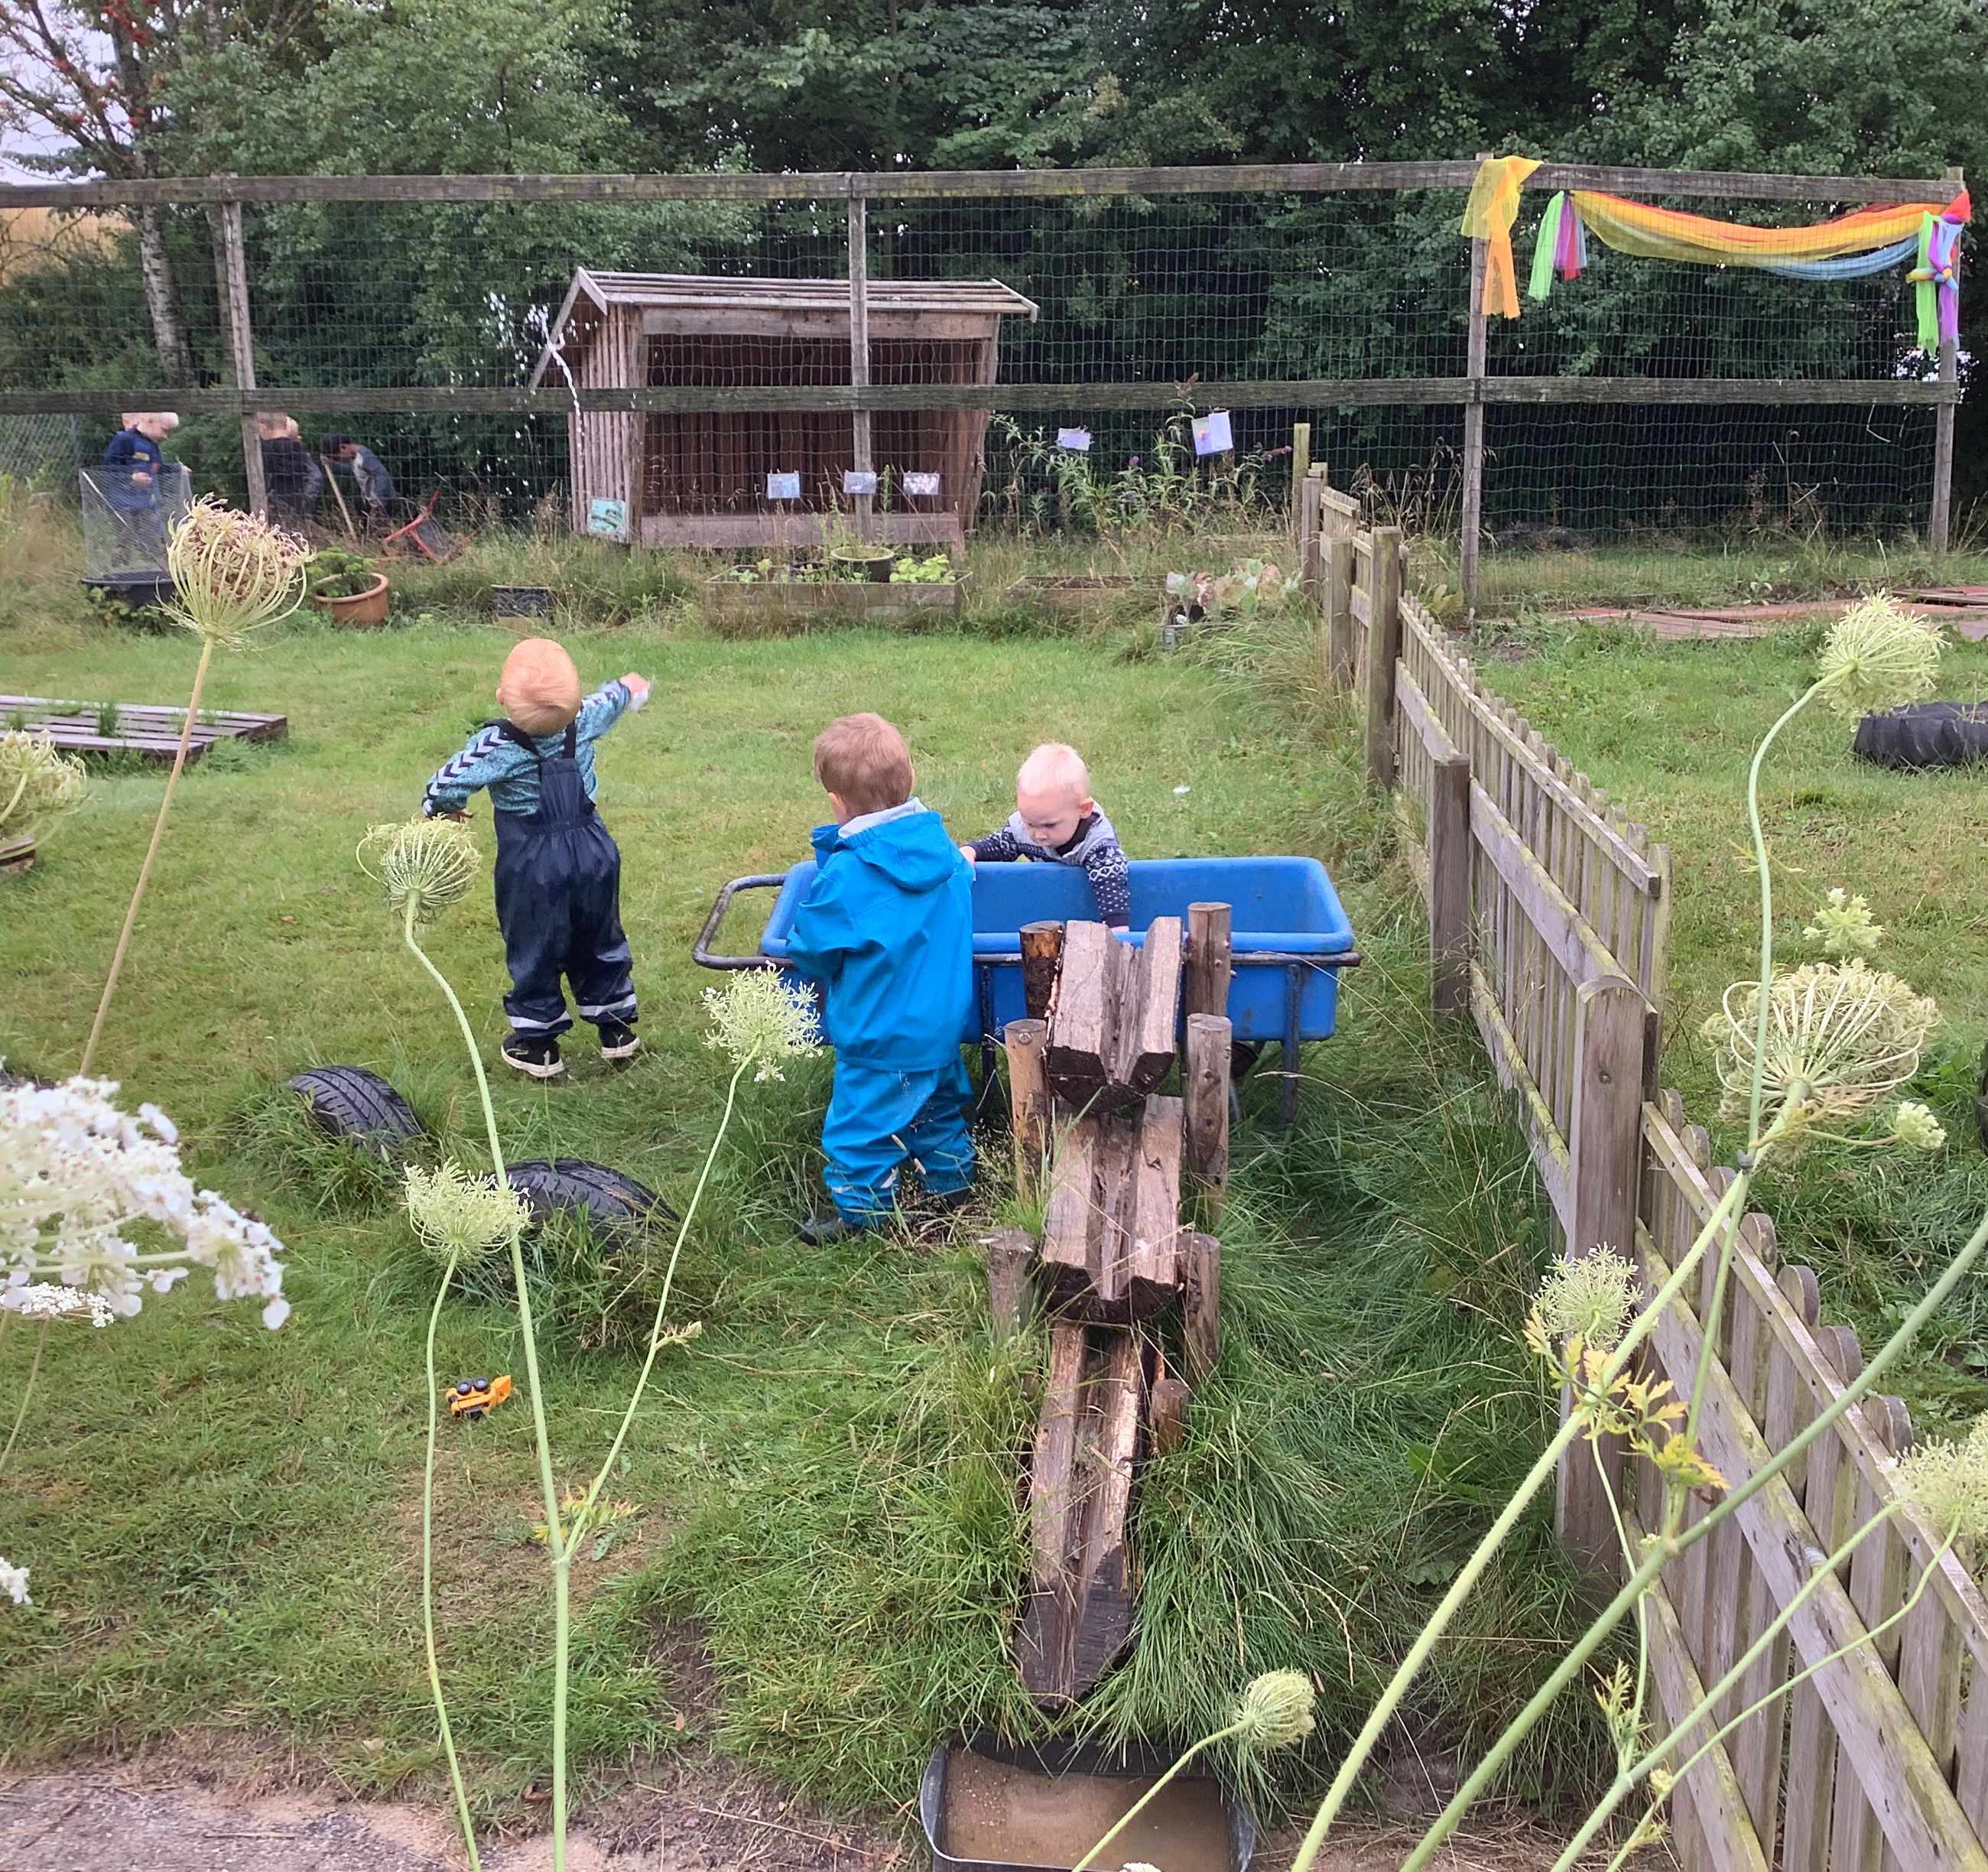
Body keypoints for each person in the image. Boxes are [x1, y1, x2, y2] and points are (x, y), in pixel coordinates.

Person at [784, 713, 975, 1244]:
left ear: (837, 803)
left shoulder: (847, 879)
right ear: (910, 779)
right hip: (940, 1029)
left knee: (858, 1133)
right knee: (936, 1111)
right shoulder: (946, 855)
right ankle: (954, 1186)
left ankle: (863, 1218)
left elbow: (812, 951)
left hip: (879, 1038)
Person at [420, 637, 650, 1079]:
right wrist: (631, 688)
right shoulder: (583, 719)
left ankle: (538, 1046)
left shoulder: (495, 744)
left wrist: (443, 809)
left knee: (535, 945)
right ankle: (617, 1030)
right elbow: (617, 696)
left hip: (532, 864)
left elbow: (443, 784)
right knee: (599, 934)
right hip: (594, 852)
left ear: (501, 698)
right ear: (576, 699)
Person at [960, 742, 1132, 929]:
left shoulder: (1100, 847)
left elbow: (1112, 895)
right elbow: (998, 846)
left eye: (1049, 825)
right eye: (1030, 822)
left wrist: (1117, 933)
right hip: (1044, 907)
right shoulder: (1025, 828)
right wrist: (971, 851)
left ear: (1083, 809)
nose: (1039, 835)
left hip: (1082, 915)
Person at [99, 412, 179, 567]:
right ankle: (118, 572)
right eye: (164, 430)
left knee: (152, 536)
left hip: (146, 502)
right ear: (150, 421)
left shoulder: (152, 446)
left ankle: (156, 571)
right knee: (126, 536)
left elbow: (157, 468)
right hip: (122, 501)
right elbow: (109, 466)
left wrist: (177, 469)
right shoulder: (125, 440)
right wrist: (131, 476)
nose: (165, 436)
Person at [257, 413, 319, 525]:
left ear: (262, 427)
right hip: (299, 512)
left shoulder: (260, 453)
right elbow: (315, 476)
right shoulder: (300, 450)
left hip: (268, 514)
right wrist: (306, 500)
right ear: (286, 426)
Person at [321, 430, 397, 522]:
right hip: (373, 504)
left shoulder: (364, 456)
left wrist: (380, 501)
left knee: (381, 532)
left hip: (384, 504)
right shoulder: (355, 459)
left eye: (337, 457)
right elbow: (352, 471)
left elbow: (381, 474)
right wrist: (332, 464)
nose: (340, 460)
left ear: (343, 447)